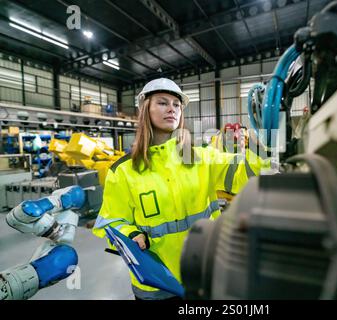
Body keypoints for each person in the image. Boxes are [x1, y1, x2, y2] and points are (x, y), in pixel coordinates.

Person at [92, 78, 271, 300]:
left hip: (202, 272)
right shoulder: (123, 171)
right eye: (162, 103)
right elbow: (112, 221)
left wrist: (267, 147)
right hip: (157, 284)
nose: (172, 109)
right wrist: (132, 234)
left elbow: (247, 174)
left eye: (177, 105)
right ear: (145, 108)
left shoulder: (201, 158)